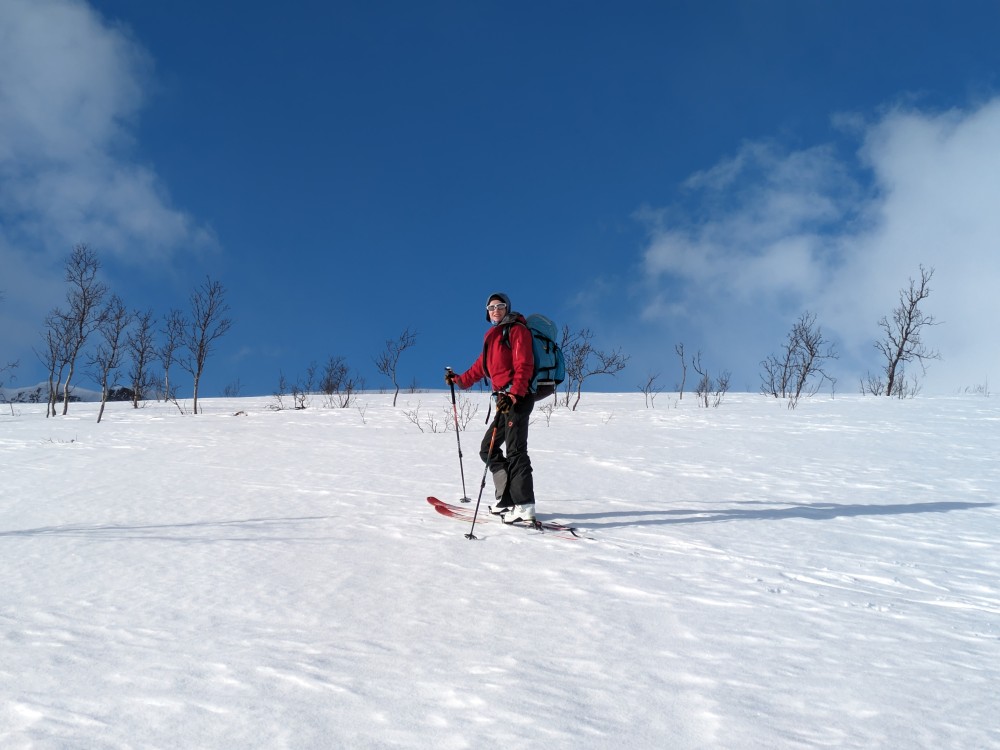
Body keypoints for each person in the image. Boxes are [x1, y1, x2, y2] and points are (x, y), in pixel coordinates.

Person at [446, 292, 537, 524]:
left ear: (508, 308)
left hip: (517, 397)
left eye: (500, 305)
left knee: (516, 450)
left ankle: (524, 505)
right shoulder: (493, 337)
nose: (495, 310)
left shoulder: (516, 330)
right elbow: (479, 369)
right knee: (488, 449)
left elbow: (524, 364)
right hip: (503, 401)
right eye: (491, 307)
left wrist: (514, 394)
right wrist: (457, 380)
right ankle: (505, 499)